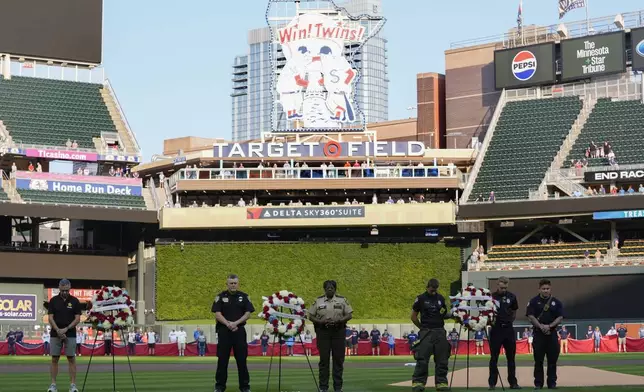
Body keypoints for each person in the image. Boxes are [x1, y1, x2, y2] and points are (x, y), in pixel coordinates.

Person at [212, 274, 255, 392]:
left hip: (239, 332)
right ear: (227, 284)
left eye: (235, 283)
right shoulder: (220, 297)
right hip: (224, 332)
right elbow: (217, 314)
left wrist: (235, 323)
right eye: (230, 283)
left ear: (238, 284)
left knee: (242, 361)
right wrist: (228, 324)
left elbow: (248, 314)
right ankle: (219, 387)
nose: (233, 285)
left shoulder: (244, 297)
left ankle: (245, 387)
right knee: (222, 361)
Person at [308, 280, 353, 392]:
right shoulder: (318, 301)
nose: (330, 289)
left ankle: (338, 387)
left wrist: (340, 320)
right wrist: (320, 322)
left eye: (332, 287)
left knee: (338, 360)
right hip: (323, 332)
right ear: (324, 289)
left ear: (335, 289)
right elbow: (310, 315)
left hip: (338, 332)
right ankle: (323, 387)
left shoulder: (342, 300)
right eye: (327, 288)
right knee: (324, 360)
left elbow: (349, 314)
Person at [410, 278, 451, 392]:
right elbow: (413, 316)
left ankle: (441, 383)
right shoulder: (421, 299)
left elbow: (443, 314)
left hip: (439, 331)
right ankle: (418, 383)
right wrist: (422, 328)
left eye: (435, 290)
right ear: (427, 287)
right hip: (426, 332)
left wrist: (454, 315)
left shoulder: (440, 298)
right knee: (422, 359)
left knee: (442, 359)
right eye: (432, 289)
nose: (434, 292)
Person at [526, 279, 564, 390]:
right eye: (543, 289)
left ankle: (552, 383)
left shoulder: (556, 302)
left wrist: (550, 326)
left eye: (547, 288)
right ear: (539, 289)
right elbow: (530, 316)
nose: (545, 291)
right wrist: (541, 326)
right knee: (538, 361)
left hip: (552, 334)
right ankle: (538, 383)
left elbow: (560, 317)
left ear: (550, 289)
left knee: (552, 361)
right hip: (539, 334)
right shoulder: (533, 301)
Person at [47, 279, 82, 392]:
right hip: (55, 333)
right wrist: (58, 330)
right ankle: (53, 385)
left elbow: (77, 319)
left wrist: (66, 329)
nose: (65, 292)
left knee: (71, 358)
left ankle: (72, 385)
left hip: (70, 333)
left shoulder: (75, 301)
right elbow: (50, 317)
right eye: (63, 290)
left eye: (67, 290)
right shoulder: (53, 300)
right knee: (54, 358)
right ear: (59, 288)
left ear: (69, 288)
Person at [488, 276, 521, 390]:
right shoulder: (491, 297)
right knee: (494, 358)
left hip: (508, 330)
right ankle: (492, 383)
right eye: (502, 287)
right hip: (496, 329)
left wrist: (510, 321)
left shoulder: (512, 296)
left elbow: (514, 310)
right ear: (497, 285)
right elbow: (487, 312)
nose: (503, 289)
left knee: (511, 358)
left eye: (505, 287)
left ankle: (513, 382)